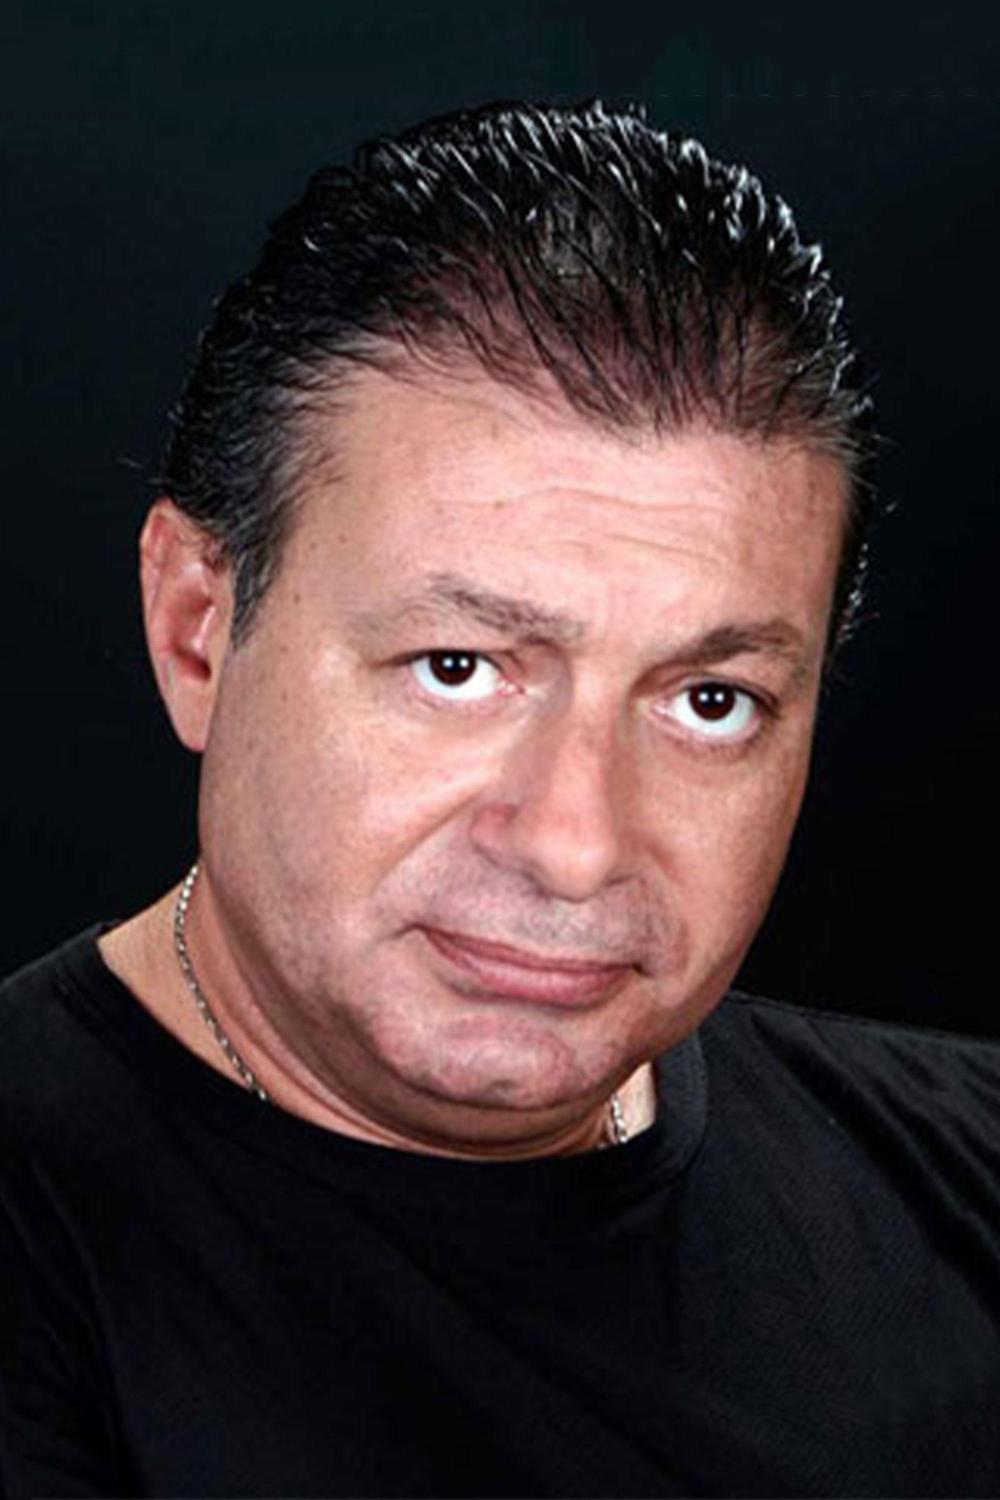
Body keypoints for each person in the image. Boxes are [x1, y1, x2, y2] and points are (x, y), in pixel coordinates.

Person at [1, 98, 997, 1500]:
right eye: (458, 668)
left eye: (710, 701)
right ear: (198, 631)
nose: (577, 845)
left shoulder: (965, 1174)